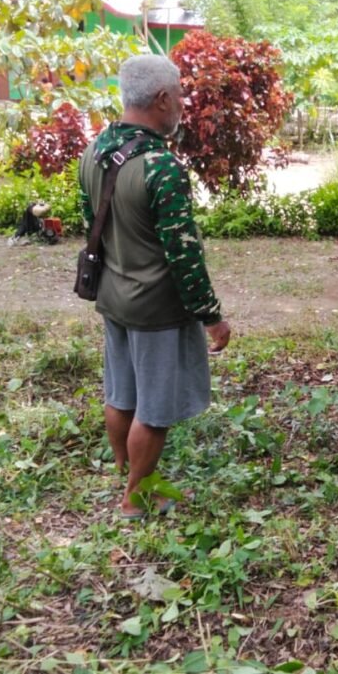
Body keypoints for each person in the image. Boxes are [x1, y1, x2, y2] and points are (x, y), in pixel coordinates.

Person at [78, 54, 231, 519]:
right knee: (155, 408)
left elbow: (93, 227)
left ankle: (126, 470)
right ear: (162, 99)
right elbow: (184, 255)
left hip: (113, 296)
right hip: (156, 310)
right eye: (180, 96)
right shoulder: (161, 166)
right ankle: (135, 496)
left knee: (120, 392)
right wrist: (212, 316)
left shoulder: (94, 151)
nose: (182, 104)